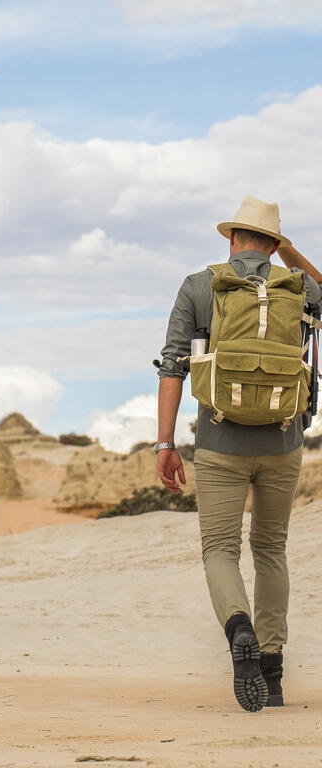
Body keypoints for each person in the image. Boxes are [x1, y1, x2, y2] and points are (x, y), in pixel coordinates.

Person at [155, 195, 322, 712]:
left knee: (220, 550)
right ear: (274, 244)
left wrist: (165, 444)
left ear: (231, 238)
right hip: (283, 441)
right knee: (270, 549)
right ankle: (271, 671)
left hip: (220, 441)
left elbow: (172, 367)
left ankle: (238, 629)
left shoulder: (200, 285)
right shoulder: (295, 286)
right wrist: (291, 254)